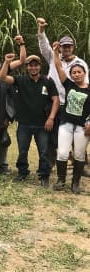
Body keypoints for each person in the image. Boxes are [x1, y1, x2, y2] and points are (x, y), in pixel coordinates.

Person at [0, 53, 60, 187]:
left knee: (44, 151)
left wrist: (51, 118)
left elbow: (56, 100)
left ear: (40, 66)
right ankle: (22, 172)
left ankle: (44, 175)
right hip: (24, 123)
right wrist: (6, 62)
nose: (33, 68)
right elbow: (2, 77)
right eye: (30, 65)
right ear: (27, 67)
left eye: (36, 65)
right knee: (22, 150)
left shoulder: (48, 81)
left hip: (42, 124)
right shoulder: (21, 80)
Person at [37, 17, 89, 171]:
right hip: (54, 102)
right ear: (59, 47)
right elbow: (43, 46)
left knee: (78, 134)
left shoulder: (80, 64)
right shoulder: (54, 58)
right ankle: (53, 163)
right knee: (54, 135)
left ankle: (82, 165)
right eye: (63, 47)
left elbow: (86, 87)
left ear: (72, 47)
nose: (66, 49)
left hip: (74, 105)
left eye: (69, 47)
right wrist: (41, 30)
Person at [51, 41, 90, 193]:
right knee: (62, 152)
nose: (76, 74)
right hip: (66, 124)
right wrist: (55, 51)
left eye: (79, 72)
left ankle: (75, 183)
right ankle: (61, 180)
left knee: (79, 155)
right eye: (74, 72)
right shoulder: (69, 85)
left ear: (84, 73)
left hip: (82, 127)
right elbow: (58, 66)